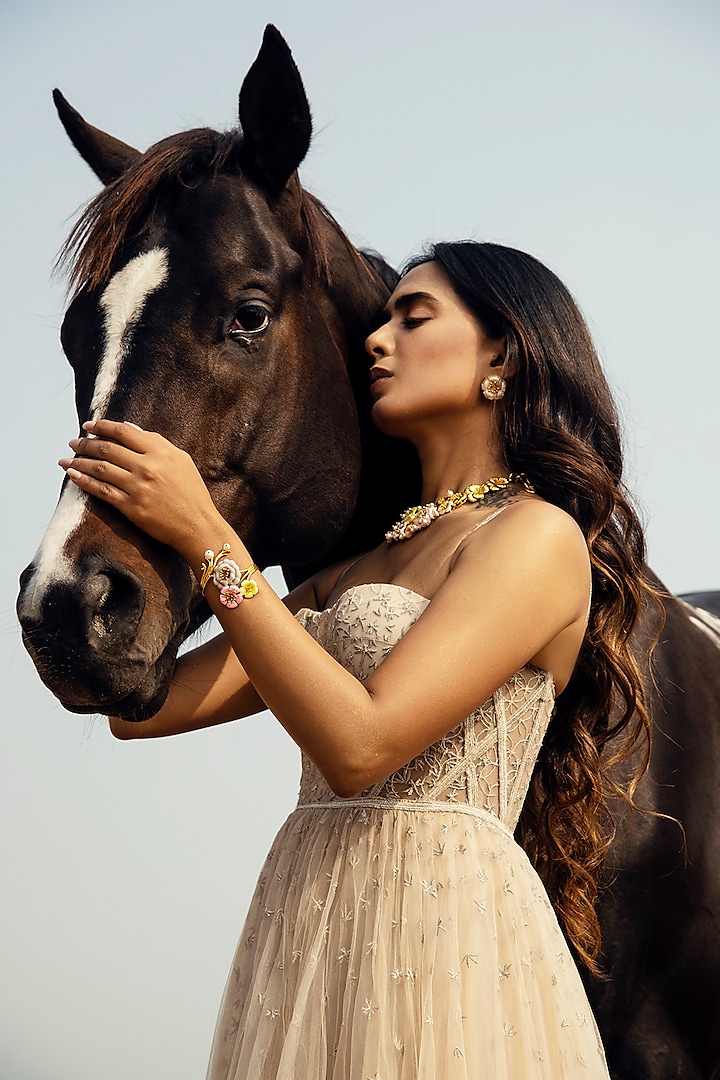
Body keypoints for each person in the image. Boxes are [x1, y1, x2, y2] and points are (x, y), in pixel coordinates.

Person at [59, 241, 657, 1079]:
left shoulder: (535, 537)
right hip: (311, 927)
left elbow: (361, 746)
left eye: (414, 318)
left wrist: (207, 534)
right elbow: (137, 710)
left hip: (448, 940)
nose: (377, 340)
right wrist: (125, 547)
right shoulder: (349, 575)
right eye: (383, 321)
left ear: (504, 356)